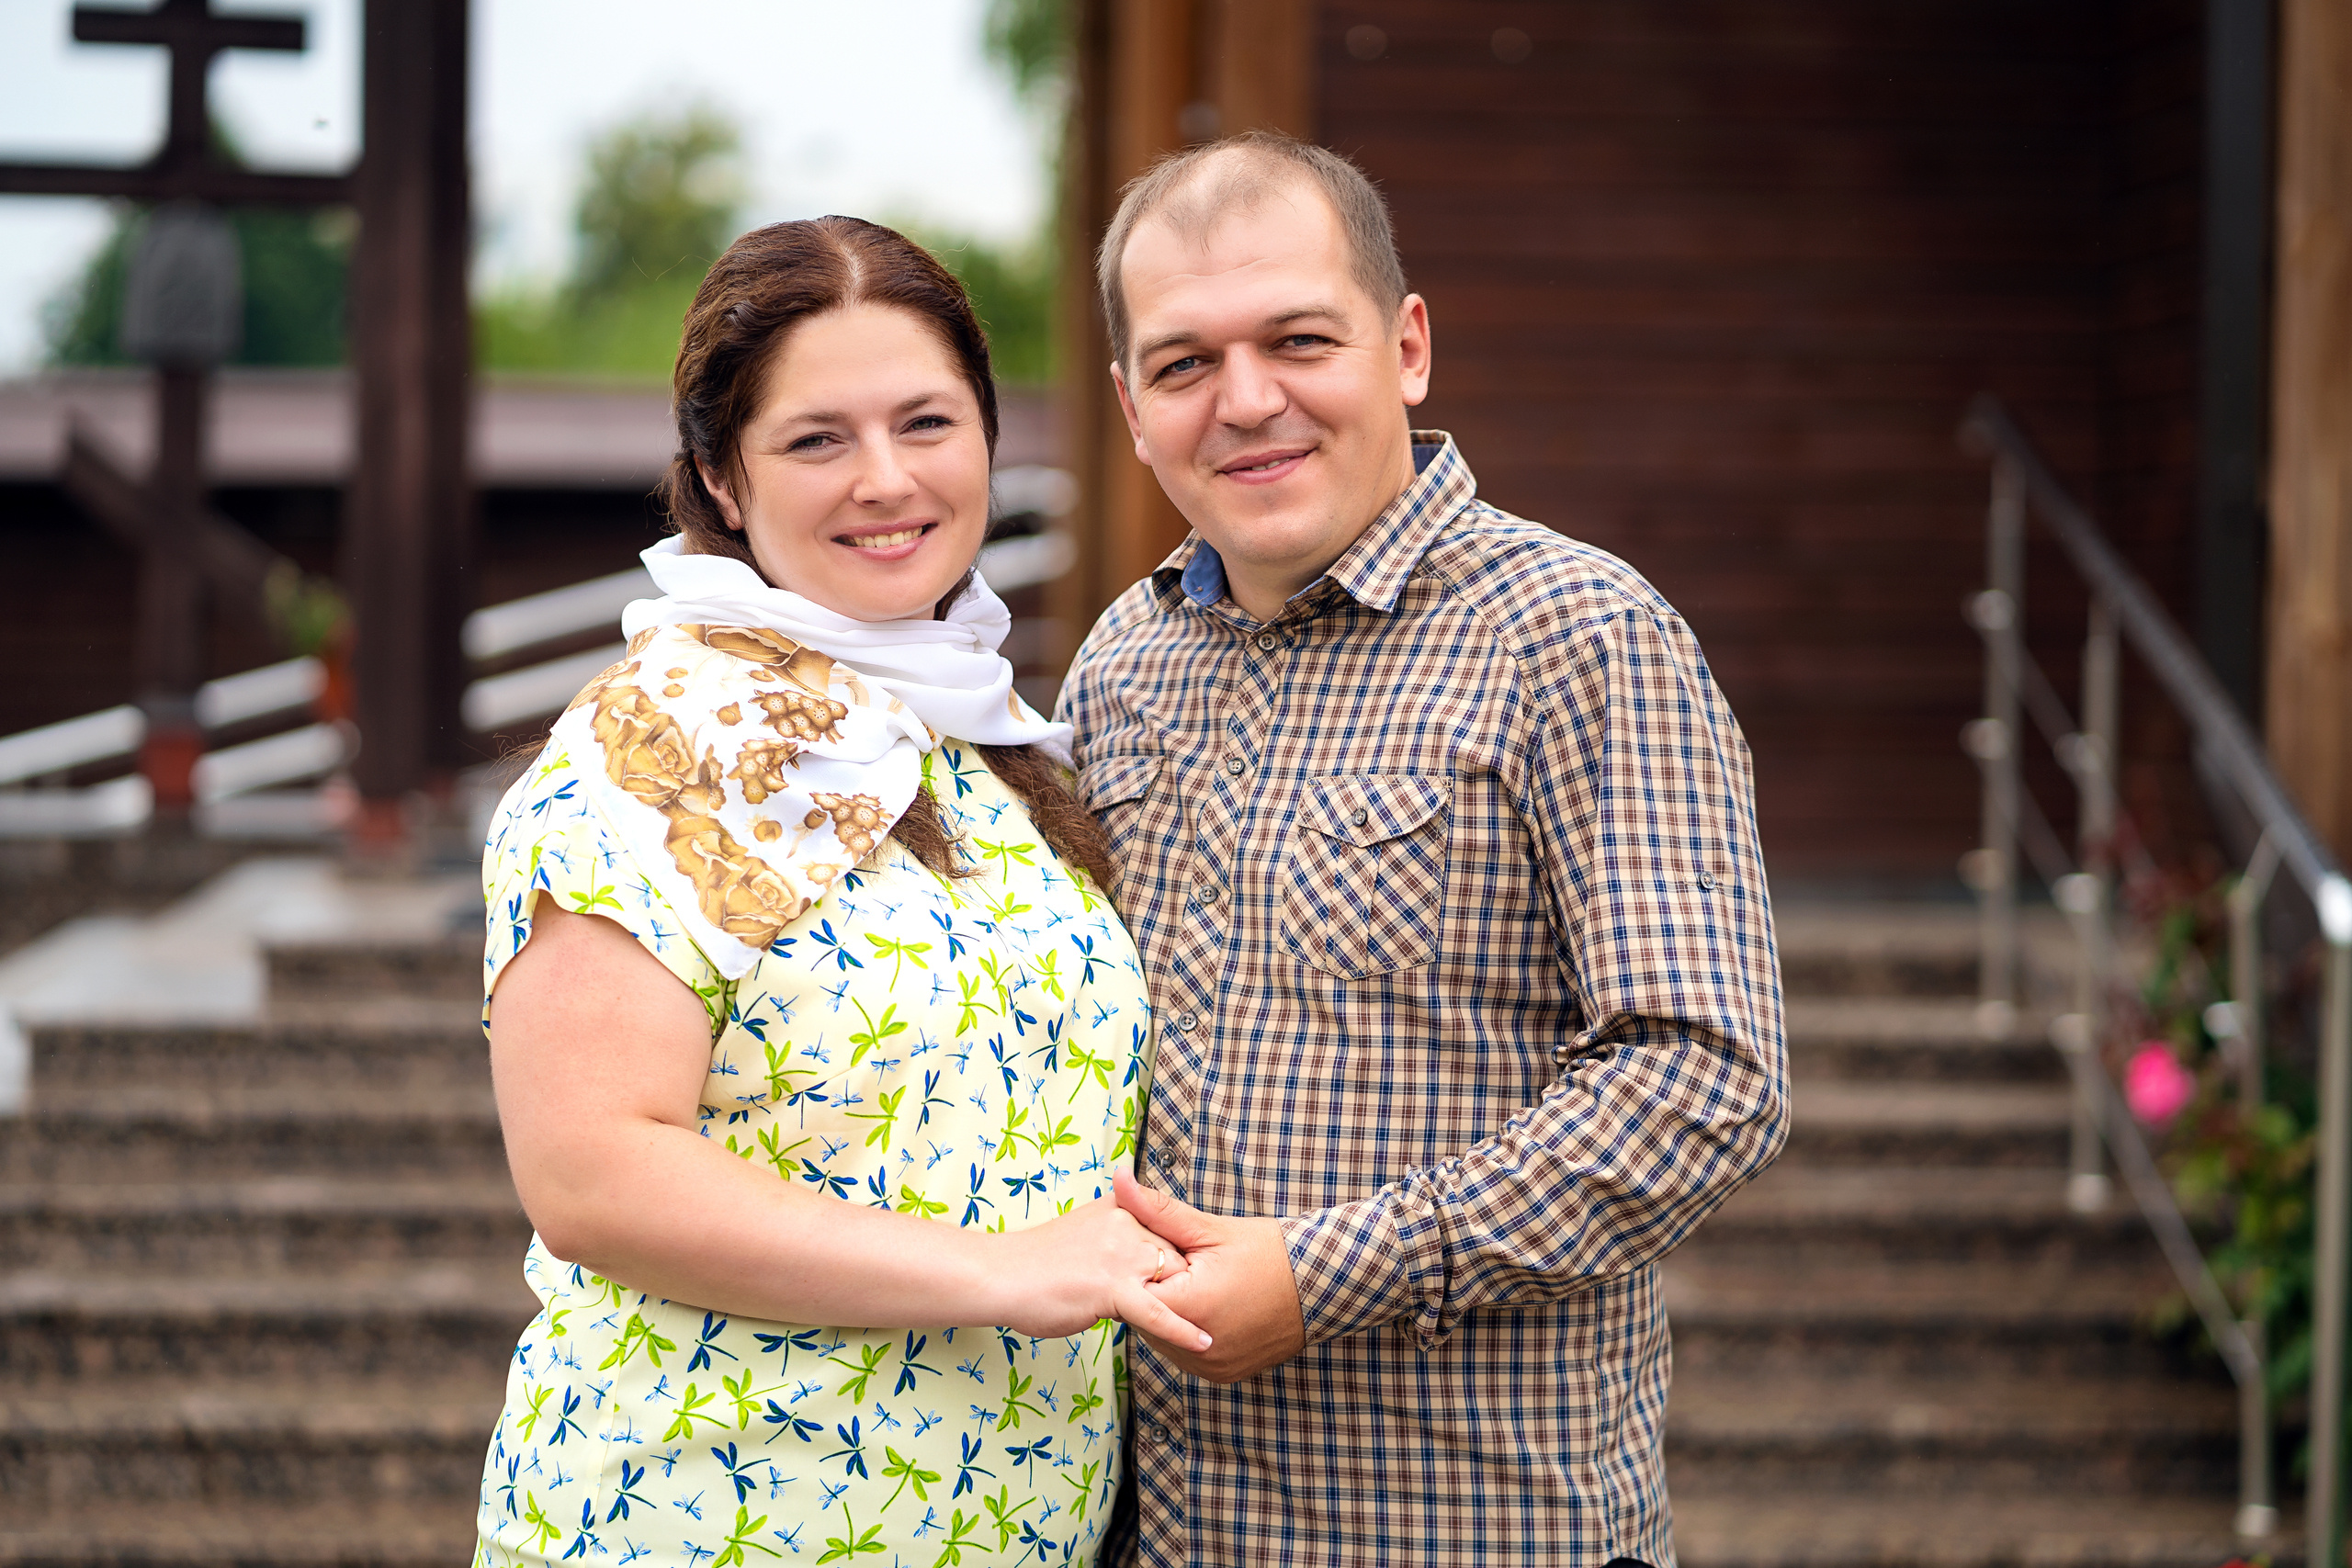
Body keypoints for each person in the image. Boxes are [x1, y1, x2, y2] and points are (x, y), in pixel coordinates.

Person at [1058, 132, 1791, 1566]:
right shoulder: (1118, 665)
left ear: (1406, 346)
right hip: (1161, 1530)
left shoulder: (1580, 636)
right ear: (1132, 409)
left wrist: (1324, 1275)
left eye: (1299, 339)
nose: (1247, 400)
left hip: (1466, 1527)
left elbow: (1706, 1078)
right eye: (1185, 362)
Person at [472, 216, 1208, 1568]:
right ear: (722, 481)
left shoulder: (988, 745)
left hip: (1000, 1521)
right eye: (817, 440)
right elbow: (588, 1169)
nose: (886, 480)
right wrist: (1003, 1271)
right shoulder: (661, 742)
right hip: (713, 1516)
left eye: (927, 422)